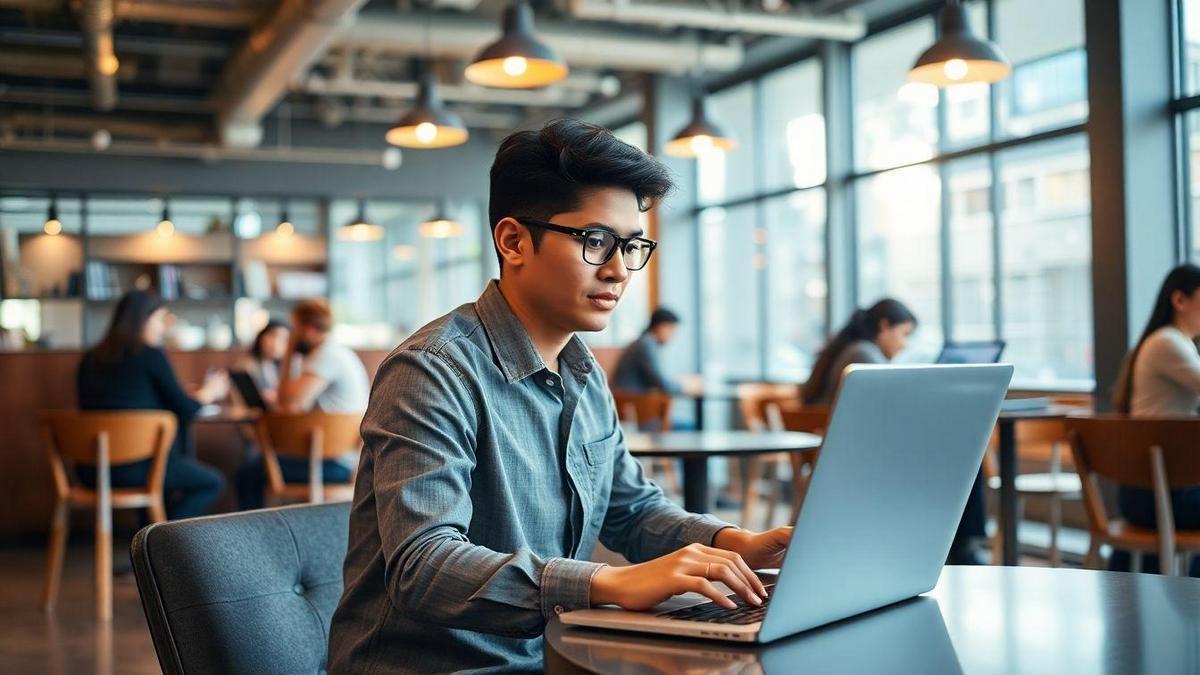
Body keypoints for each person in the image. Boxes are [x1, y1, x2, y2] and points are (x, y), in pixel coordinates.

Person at [328, 119, 791, 674]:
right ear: (513, 240)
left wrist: (737, 543)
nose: (619, 271)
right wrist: (609, 581)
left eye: (631, 245)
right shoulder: (431, 371)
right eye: (596, 242)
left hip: (549, 657)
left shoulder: (584, 373)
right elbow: (424, 566)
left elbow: (631, 510)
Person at [76, 290, 228, 520]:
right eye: (159, 319)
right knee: (212, 482)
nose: (162, 327)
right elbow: (187, 408)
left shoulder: (90, 359)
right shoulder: (150, 355)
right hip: (138, 468)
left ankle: (150, 535)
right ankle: (159, 537)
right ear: (143, 319)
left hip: (91, 469)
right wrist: (210, 392)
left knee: (162, 462)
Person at [235, 299, 370, 510]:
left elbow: (289, 403)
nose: (291, 335)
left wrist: (289, 351)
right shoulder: (333, 352)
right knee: (254, 468)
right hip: (341, 459)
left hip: (332, 462)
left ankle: (253, 539)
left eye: (294, 329)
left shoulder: (326, 355)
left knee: (247, 474)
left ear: (307, 329)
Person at [1110, 263, 1200, 576]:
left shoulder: (1170, 343)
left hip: (1151, 492)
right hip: (1157, 497)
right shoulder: (1169, 343)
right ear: (1180, 300)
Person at [801, 298, 917, 406]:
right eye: (905, 334)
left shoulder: (852, 348)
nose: (905, 345)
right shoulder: (863, 354)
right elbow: (893, 400)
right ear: (884, 326)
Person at [612, 307, 683, 395]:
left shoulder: (645, 341)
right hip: (631, 399)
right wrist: (685, 386)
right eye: (671, 329)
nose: (673, 335)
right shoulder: (646, 345)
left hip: (633, 397)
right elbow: (662, 383)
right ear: (660, 327)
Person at [235, 319, 292, 407]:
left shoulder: (289, 366)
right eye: (272, 336)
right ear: (261, 337)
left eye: (283, 339)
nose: (275, 343)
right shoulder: (246, 365)